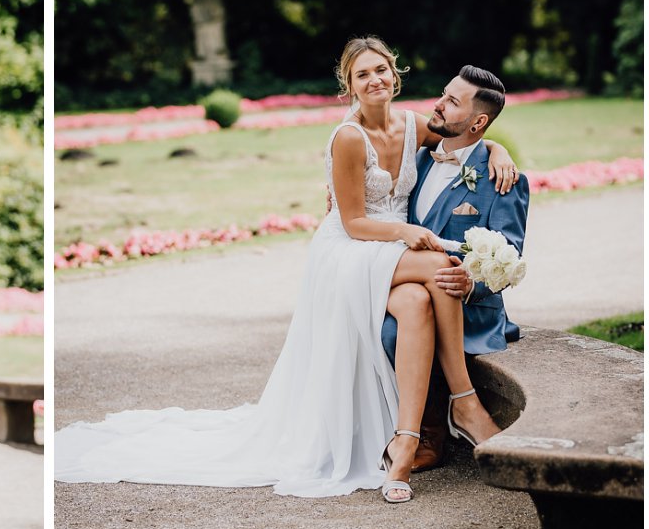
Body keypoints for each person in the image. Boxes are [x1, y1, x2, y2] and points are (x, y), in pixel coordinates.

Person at [54, 36, 517, 503]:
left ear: (394, 74)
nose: (374, 80)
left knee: (419, 298)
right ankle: (465, 403)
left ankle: (406, 442)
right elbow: (353, 221)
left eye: (381, 70)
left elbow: (467, 138)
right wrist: (401, 234)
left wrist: (497, 148)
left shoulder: (414, 124)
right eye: (362, 75)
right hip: (353, 248)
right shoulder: (348, 137)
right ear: (349, 86)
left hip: (391, 251)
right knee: (441, 265)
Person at [381, 66, 530, 470]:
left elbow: (509, 254)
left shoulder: (503, 179)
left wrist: (470, 281)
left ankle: (431, 432)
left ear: (478, 121)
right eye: (443, 94)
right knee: (398, 321)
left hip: (464, 304)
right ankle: (431, 422)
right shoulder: (417, 159)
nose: (439, 104)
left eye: (452, 101)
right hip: (407, 286)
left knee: (398, 331)